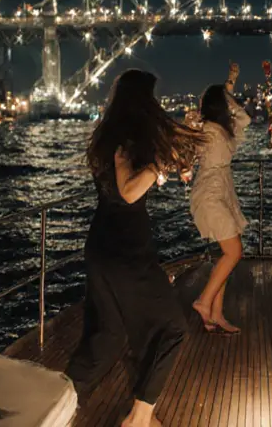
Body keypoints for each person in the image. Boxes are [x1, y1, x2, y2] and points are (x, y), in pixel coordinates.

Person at [67, 69, 204, 427]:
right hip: (126, 250)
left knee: (108, 336)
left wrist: (176, 145)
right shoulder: (126, 138)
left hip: (103, 246)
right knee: (173, 328)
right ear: (141, 100)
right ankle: (139, 419)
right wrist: (161, 161)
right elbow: (129, 192)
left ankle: (58, 402)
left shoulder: (116, 134)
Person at [187, 62, 252, 334]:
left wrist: (228, 90)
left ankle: (216, 314)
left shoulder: (225, 131)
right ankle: (204, 302)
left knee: (225, 255)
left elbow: (245, 119)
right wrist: (190, 121)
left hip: (223, 190)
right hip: (211, 192)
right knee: (234, 252)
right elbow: (187, 142)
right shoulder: (205, 129)